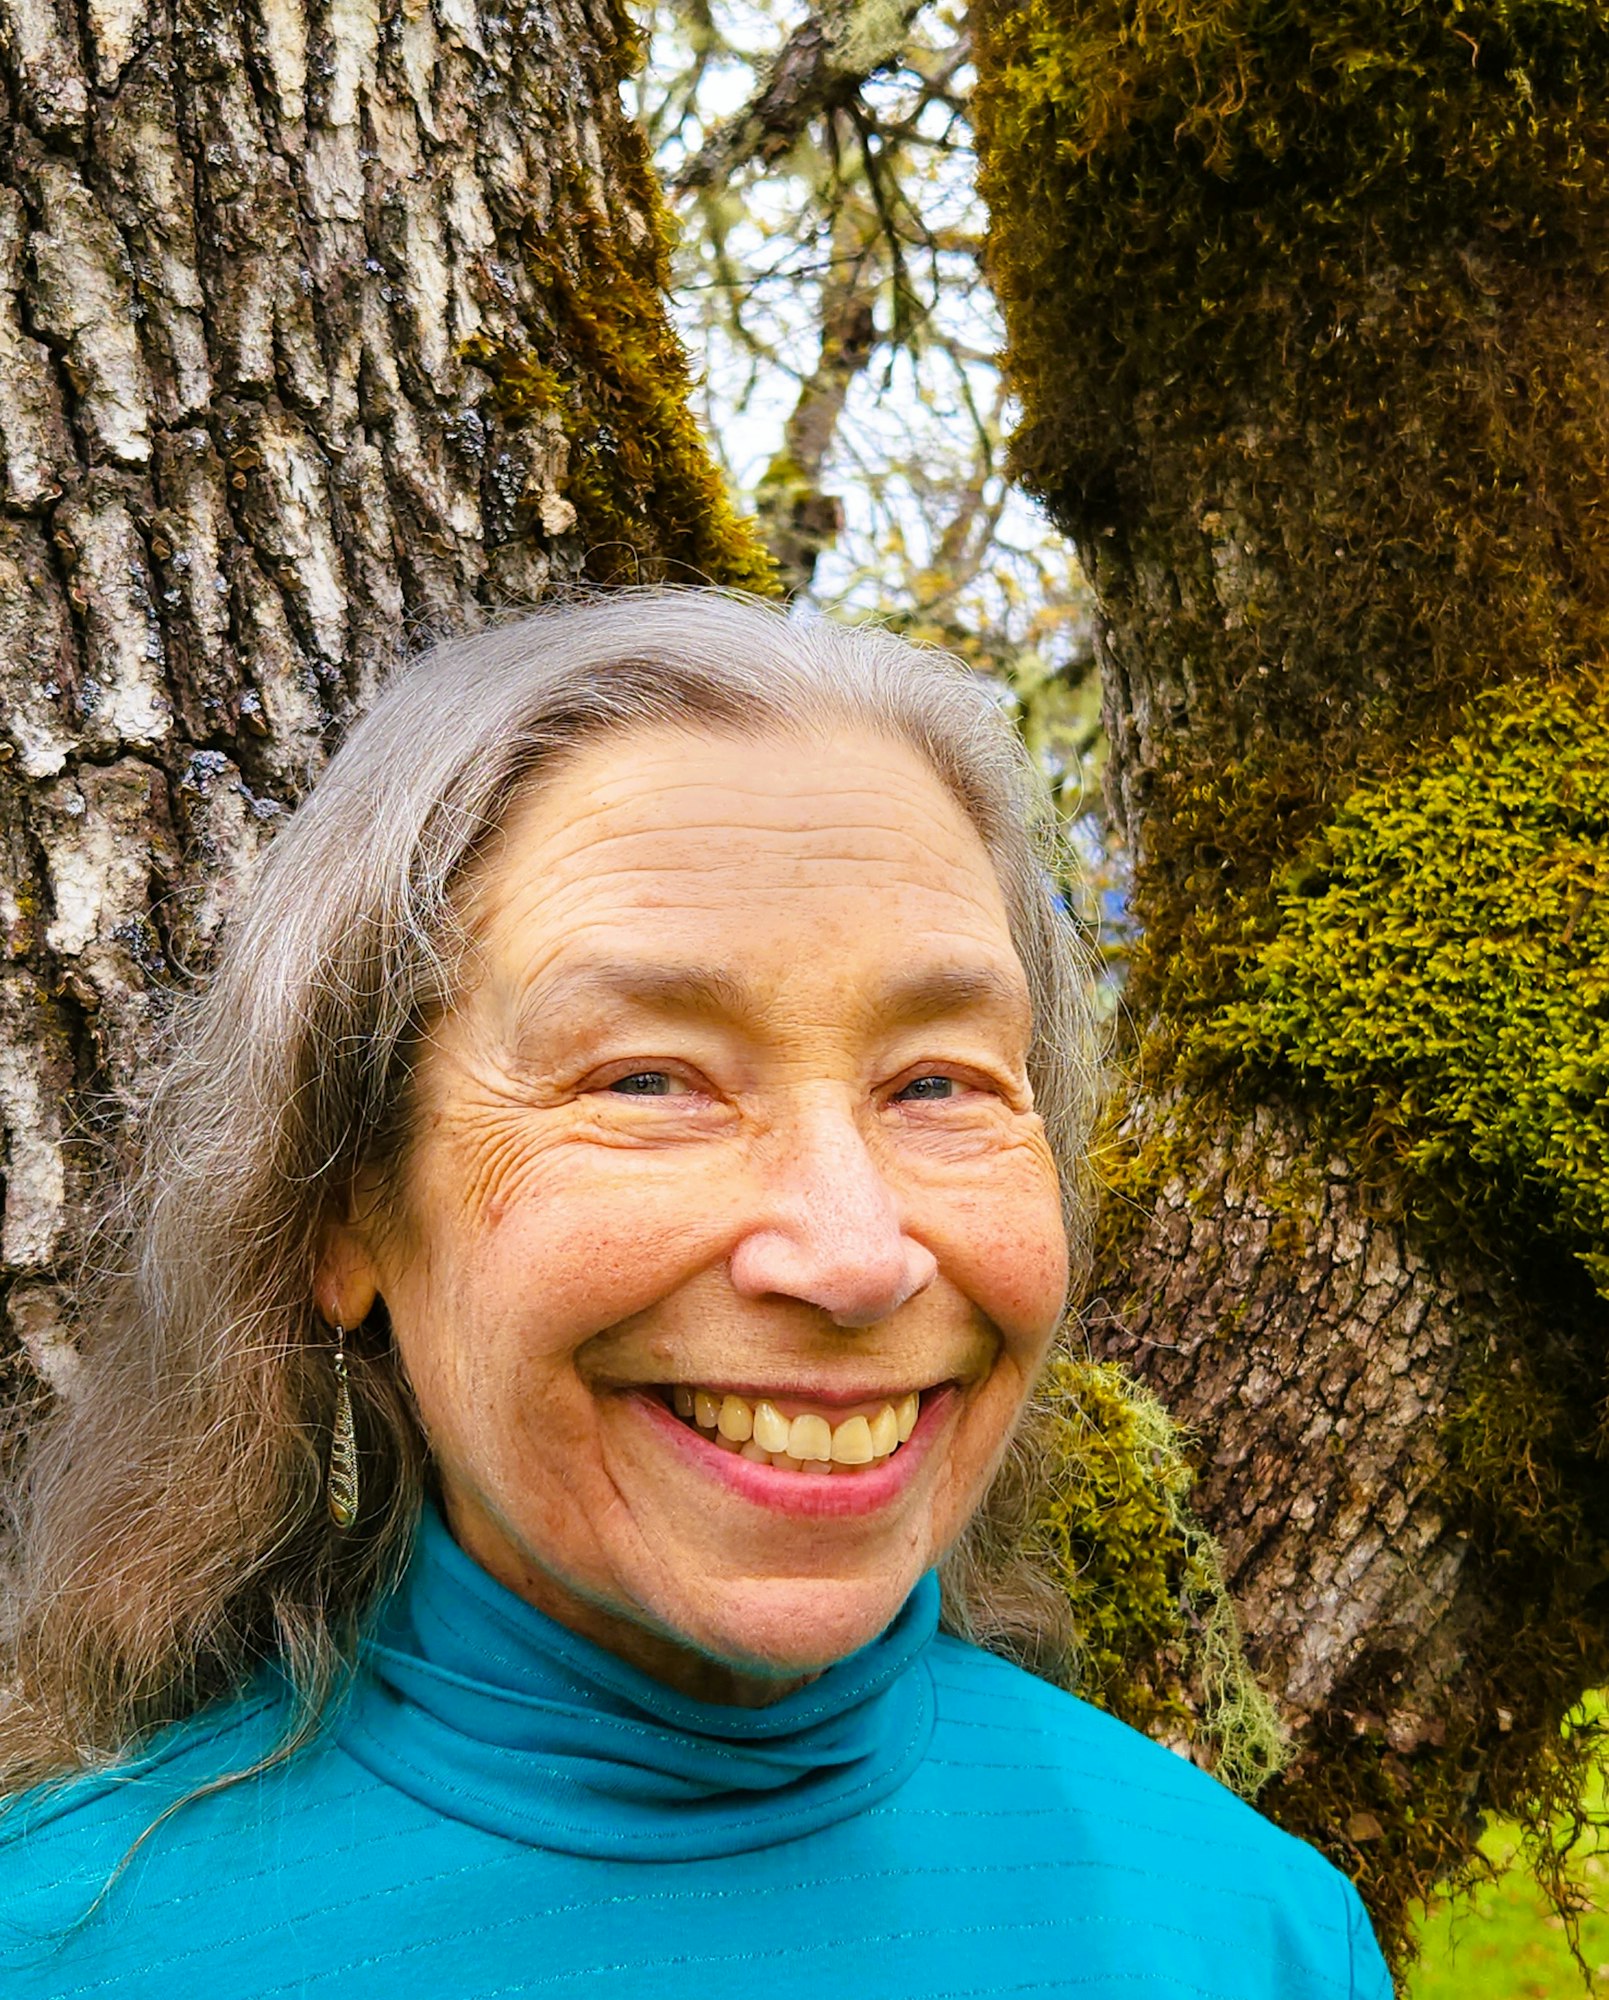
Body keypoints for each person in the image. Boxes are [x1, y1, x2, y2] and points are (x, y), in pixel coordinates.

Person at [0, 592, 1392, 1998]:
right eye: (648, 1079)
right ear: (351, 1209)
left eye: (936, 1083)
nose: (853, 1256)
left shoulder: (1253, 1932)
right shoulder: (62, 1949)